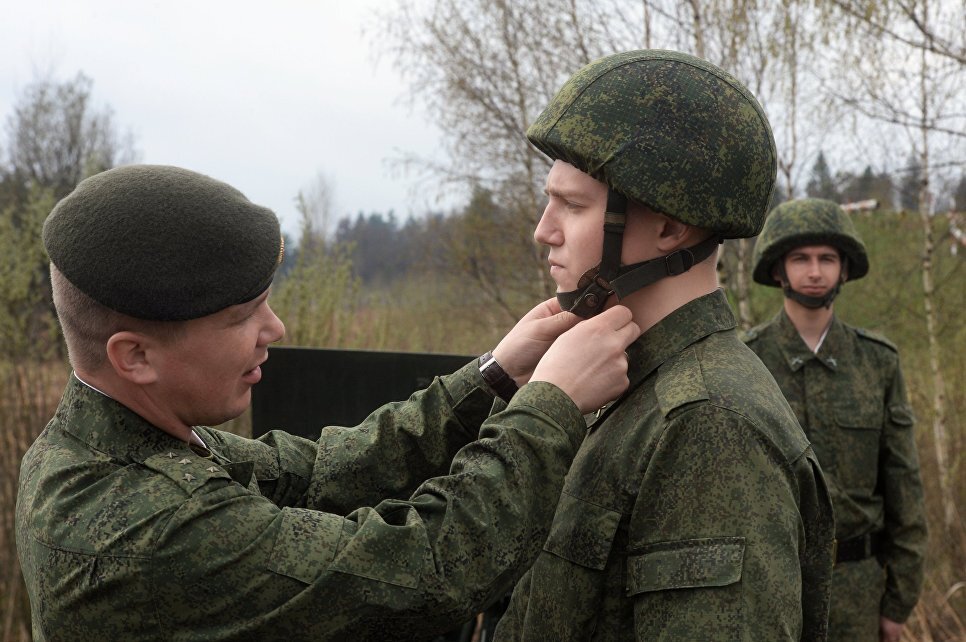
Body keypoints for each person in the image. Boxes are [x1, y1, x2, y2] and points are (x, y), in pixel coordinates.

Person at [16, 164, 640, 641]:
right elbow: (430, 568)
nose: (276, 328)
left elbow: (321, 474)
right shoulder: (146, 531)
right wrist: (549, 405)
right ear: (136, 357)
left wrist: (495, 375)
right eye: (242, 316)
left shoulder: (114, 442)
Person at [493, 49, 835, 641]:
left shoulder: (709, 424)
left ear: (671, 228)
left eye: (572, 205)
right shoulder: (621, 383)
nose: (543, 231)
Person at [744, 198, 927, 642]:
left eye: (827, 259)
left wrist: (899, 600)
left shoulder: (877, 363)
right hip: (769, 588)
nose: (814, 271)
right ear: (777, 271)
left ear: (844, 270)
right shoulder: (746, 362)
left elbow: (903, 483)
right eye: (800, 258)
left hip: (858, 592)